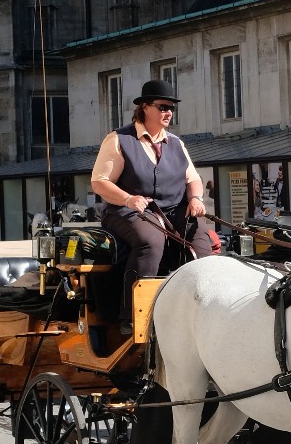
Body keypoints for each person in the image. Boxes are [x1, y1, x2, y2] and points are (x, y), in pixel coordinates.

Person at [91, 80, 214, 305]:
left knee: (200, 239)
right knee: (151, 240)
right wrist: (128, 198)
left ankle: (205, 304)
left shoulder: (176, 143)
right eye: (163, 107)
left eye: (171, 108)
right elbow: (99, 182)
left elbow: (193, 178)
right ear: (145, 107)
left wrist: (196, 198)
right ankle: (134, 314)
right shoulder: (119, 139)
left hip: (173, 210)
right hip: (126, 211)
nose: (168, 113)